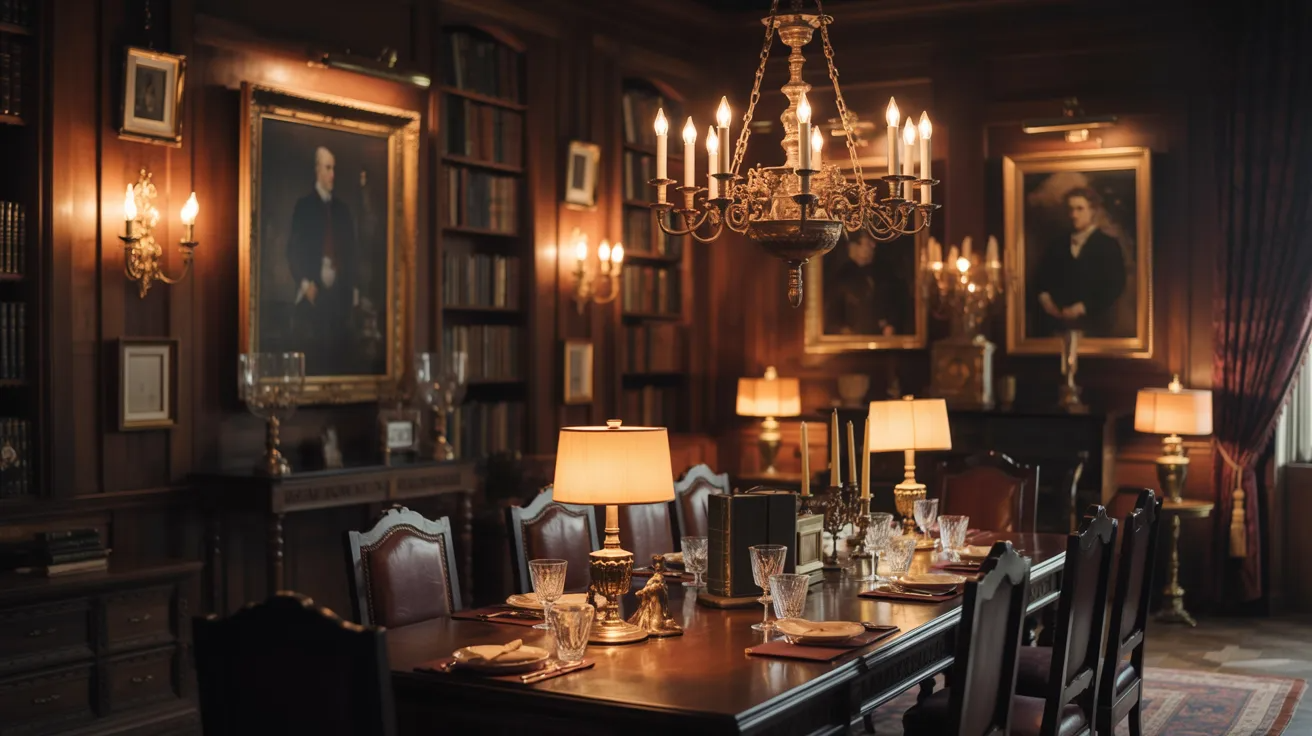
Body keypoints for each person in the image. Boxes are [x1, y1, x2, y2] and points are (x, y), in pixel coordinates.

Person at [287, 146, 357, 375]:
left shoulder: (342, 211)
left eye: (334, 168)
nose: (332, 174)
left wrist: (351, 288)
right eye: (328, 168)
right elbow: (293, 250)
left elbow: (351, 252)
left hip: (338, 294)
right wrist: (305, 284)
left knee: (341, 352)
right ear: (317, 170)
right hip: (313, 291)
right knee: (313, 352)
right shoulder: (304, 206)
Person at [1033, 186, 1126, 338]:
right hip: (1057, 328)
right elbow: (1040, 280)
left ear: (1093, 211)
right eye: (1070, 209)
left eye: (1079, 209)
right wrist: (1046, 300)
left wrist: (1083, 307)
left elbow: (1115, 285)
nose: (1073, 215)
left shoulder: (1108, 245)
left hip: (1095, 327)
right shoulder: (1057, 245)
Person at [824, 230, 911, 336]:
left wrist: (891, 325)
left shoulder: (884, 274)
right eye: (868, 242)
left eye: (873, 242)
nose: (873, 246)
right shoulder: (841, 279)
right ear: (853, 246)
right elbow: (833, 319)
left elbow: (896, 306)